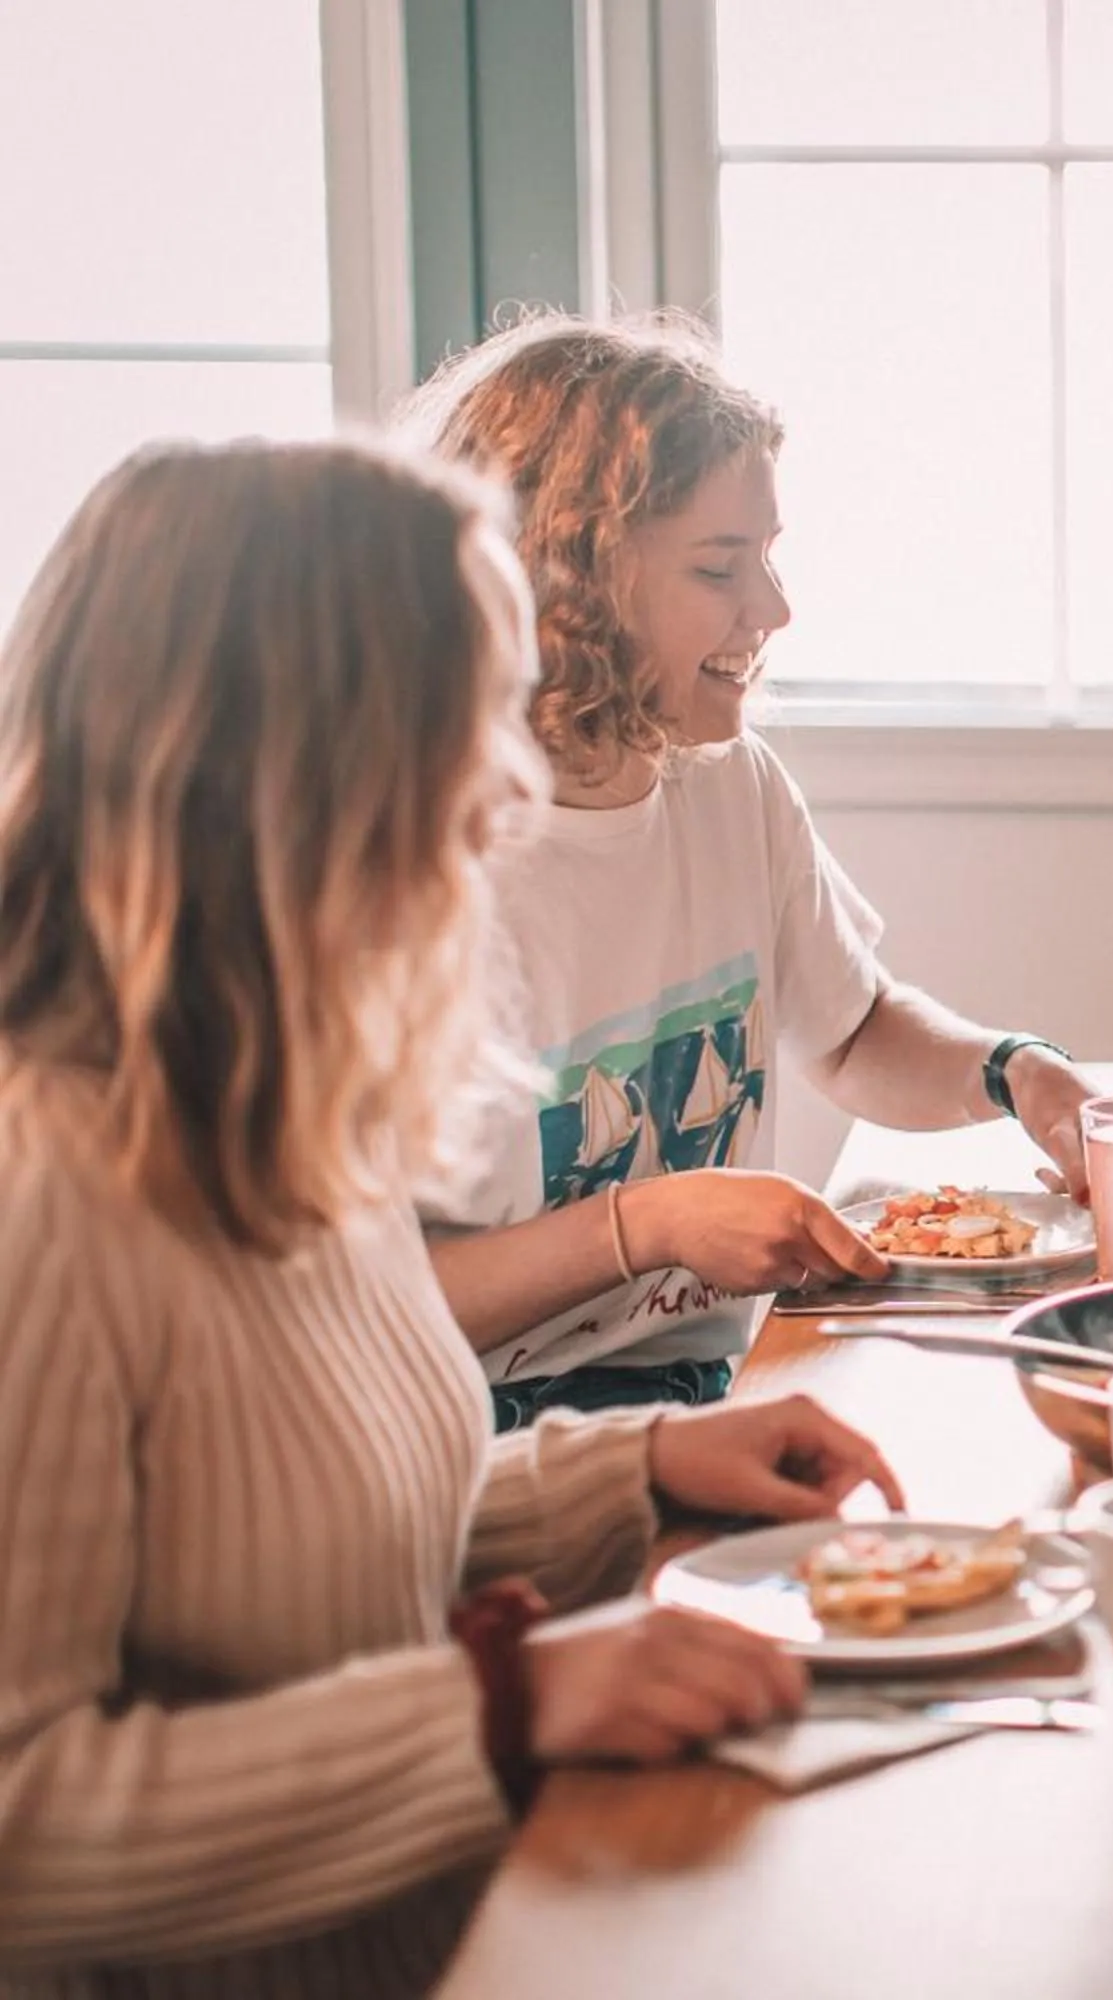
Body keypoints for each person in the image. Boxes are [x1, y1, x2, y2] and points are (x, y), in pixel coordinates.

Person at [0, 440, 901, 1995]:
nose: (504, 787)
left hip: (466, 1927)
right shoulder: (46, 1200)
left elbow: (314, 1536)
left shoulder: (284, 1104)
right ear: (280, 768)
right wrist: (501, 1708)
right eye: (464, 724)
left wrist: (643, 1463)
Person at [399, 312, 1097, 1427]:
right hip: (478, 1431)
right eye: (721, 567)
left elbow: (855, 1030)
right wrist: (646, 1225)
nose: (773, 611)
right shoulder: (411, 876)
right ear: (563, 585)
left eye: (767, 557)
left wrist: (1016, 1072)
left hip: (706, 1384)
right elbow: (368, 1308)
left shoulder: (730, 783)